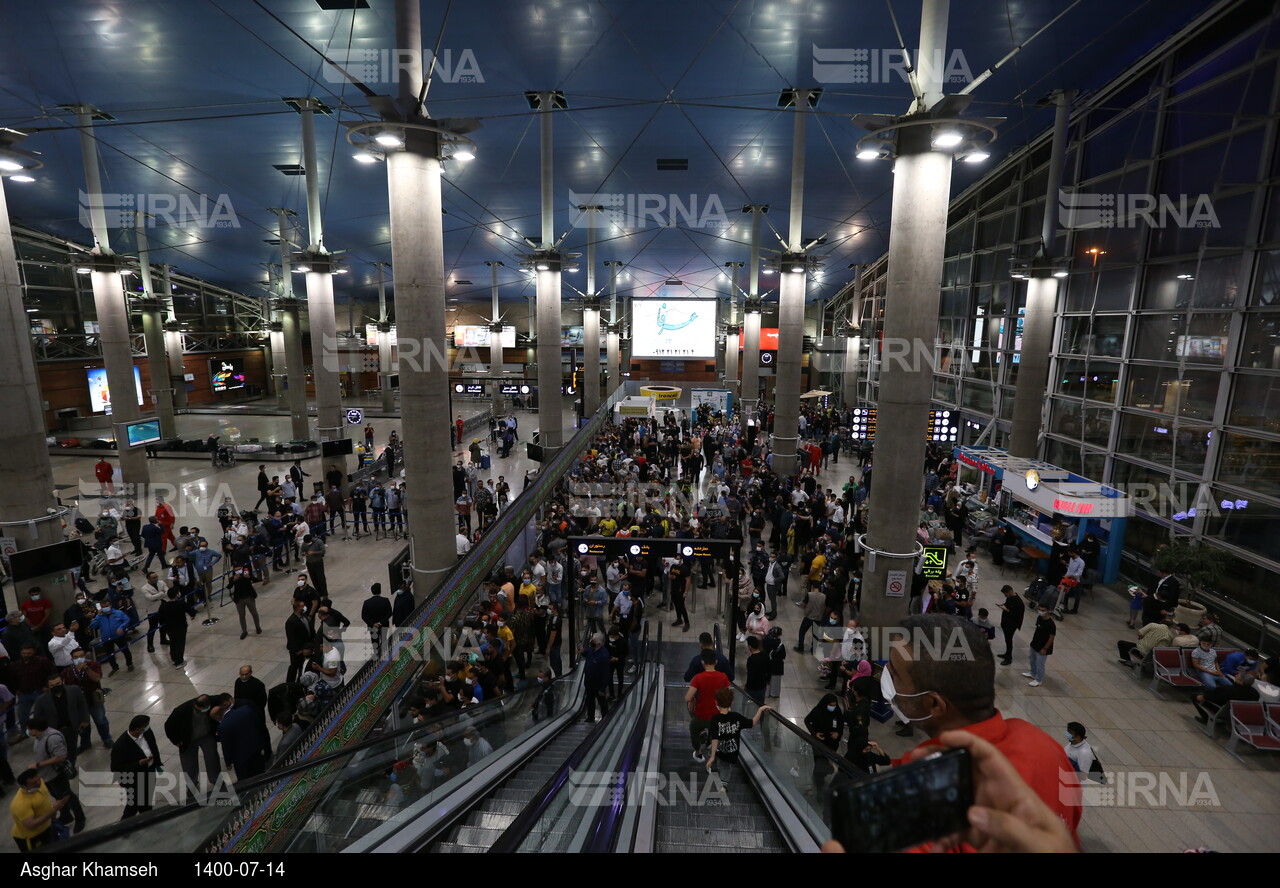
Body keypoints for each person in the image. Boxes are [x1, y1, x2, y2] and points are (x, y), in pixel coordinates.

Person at [880, 614, 1081, 849]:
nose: (887, 674)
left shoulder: (920, 795)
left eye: (895, 673)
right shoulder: (1047, 747)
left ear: (934, 704)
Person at [27, 717, 85, 834]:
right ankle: (66, 815)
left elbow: (61, 756)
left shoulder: (52, 738)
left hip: (56, 774)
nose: (27, 731)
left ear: (36, 730)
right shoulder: (39, 737)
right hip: (46, 775)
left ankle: (80, 818)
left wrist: (38, 764)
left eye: (29, 729)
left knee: (67, 796)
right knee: (57, 796)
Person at [705, 686, 770, 785]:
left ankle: (715, 772)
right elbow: (752, 723)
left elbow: (715, 738)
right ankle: (724, 784)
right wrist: (760, 710)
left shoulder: (716, 718)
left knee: (720, 764)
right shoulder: (736, 716)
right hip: (732, 754)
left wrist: (712, 756)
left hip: (720, 752)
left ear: (716, 703)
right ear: (731, 703)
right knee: (726, 769)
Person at [165, 694, 222, 803]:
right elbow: (168, 726)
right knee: (189, 764)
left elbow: (224, 700)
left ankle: (216, 779)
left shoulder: (214, 701)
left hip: (207, 736)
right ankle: (192, 786)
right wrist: (176, 741)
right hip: (188, 741)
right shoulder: (181, 711)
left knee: (212, 758)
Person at [110, 715, 162, 818]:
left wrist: (157, 763)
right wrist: (138, 763)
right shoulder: (120, 746)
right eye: (146, 726)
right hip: (134, 778)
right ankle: (124, 826)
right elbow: (116, 768)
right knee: (133, 803)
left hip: (149, 771)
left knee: (147, 797)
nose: (148, 727)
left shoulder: (147, 732)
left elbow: (153, 746)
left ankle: (146, 816)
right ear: (138, 729)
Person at [30, 676, 89, 766]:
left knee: (72, 749)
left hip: (71, 727)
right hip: (54, 731)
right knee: (56, 752)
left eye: (58, 683)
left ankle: (71, 766)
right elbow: (37, 717)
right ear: (48, 687)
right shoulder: (41, 700)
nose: (56, 686)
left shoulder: (74, 690)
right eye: (52, 685)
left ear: (62, 681)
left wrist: (85, 719)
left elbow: (82, 705)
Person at [685, 649, 731, 763]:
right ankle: (712, 744)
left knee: (693, 728)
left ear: (702, 662)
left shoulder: (698, 678)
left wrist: (693, 699)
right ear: (716, 662)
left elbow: (687, 697)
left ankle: (698, 752)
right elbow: (728, 696)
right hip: (717, 717)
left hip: (701, 716)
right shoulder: (723, 677)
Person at [10, 768, 66, 852]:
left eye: (39, 779)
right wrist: (52, 812)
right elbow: (30, 825)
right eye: (34, 783)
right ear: (23, 786)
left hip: (47, 827)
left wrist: (53, 815)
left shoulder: (40, 783)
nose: (39, 783)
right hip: (32, 837)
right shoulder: (20, 804)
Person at [219, 698, 273, 782]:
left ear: (218, 716)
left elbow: (226, 747)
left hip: (241, 759)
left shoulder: (223, 726)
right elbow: (258, 726)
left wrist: (228, 762)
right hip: (256, 749)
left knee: (246, 780)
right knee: (261, 774)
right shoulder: (246, 710)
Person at [804, 692, 844, 785]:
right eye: (831, 705)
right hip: (819, 743)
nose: (833, 707)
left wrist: (838, 734)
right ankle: (818, 779)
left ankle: (824, 772)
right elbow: (807, 720)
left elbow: (841, 726)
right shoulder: (817, 711)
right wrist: (814, 733)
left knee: (827, 760)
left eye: (834, 705)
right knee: (819, 762)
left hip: (832, 743)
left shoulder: (837, 712)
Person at [158, 587, 198, 669]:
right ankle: (179, 661)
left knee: (173, 642)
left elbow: (160, 618)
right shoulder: (181, 603)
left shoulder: (163, 606)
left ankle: (173, 658)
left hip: (169, 627)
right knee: (180, 643)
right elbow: (191, 611)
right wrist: (192, 615)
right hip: (181, 626)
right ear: (177, 595)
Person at [89, 602, 133, 674]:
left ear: (110, 605)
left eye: (107, 606)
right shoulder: (99, 616)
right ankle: (114, 667)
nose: (105, 608)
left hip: (119, 636)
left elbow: (127, 619)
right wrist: (98, 616)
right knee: (109, 654)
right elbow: (92, 626)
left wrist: (121, 627)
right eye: (103, 606)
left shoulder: (118, 613)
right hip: (106, 638)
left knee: (125, 650)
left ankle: (129, 664)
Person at [1022, 605, 1056, 688]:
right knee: (1032, 659)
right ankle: (1033, 673)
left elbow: (1051, 638)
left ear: (1048, 611)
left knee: (1040, 664)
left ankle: (1039, 680)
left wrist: (1045, 648)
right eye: (1040, 610)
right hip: (1035, 644)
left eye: (1043, 610)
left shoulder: (1051, 624)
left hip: (1043, 647)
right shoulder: (1039, 618)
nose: (1041, 612)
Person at [582, 632, 611, 723]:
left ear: (598, 643)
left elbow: (606, 674)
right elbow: (587, 653)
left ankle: (605, 719)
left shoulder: (604, 655)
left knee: (602, 702)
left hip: (598, 685)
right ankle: (590, 718)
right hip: (589, 682)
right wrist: (582, 651)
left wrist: (602, 689)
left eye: (593, 639)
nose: (591, 640)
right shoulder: (592, 649)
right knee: (590, 701)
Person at [229, 566, 263, 640]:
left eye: (239, 569)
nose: (238, 571)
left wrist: (249, 577)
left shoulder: (247, 574)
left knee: (254, 613)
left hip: (249, 597)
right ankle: (244, 631)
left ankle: (258, 627)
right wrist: (234, 580)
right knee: (241, 615)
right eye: (236, 570)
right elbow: (229, 586)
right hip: (239, 600)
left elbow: (257, 580)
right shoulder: (233, 578)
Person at [285, 599, 314, 684]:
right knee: (294, 667)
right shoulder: (291, 621)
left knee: (302, 666)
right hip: (297, 650)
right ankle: (289, 684)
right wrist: (297, 650)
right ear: (297, 608)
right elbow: (291, 637)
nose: (305, 607)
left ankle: (300, 682)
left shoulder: (304, 615)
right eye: (302, 606)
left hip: (306, 646)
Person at [362, 583, 394, 660]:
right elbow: (389, 613)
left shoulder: (367, 602)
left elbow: (364, 616)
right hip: (383, 625)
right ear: (380, 591)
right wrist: (381, 622)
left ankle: (377, 657)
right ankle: (384, 655)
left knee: (375, 642)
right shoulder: (385, 600)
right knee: (383, 640)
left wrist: (373, 624)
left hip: (373, 627)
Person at [995, 584, 1024, 667]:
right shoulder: (1009, 598)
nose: (1005, 595)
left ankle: (1009, 657)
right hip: (1006, 622)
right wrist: (1003, 605)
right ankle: (1006, 654)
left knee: (1009, 640)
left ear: (1010, 591)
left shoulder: (1019, 602)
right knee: (1007, 639)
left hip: (1012, 624)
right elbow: (1007, 604)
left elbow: (1016, 615)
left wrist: (1006, 610)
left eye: (1005, 594)